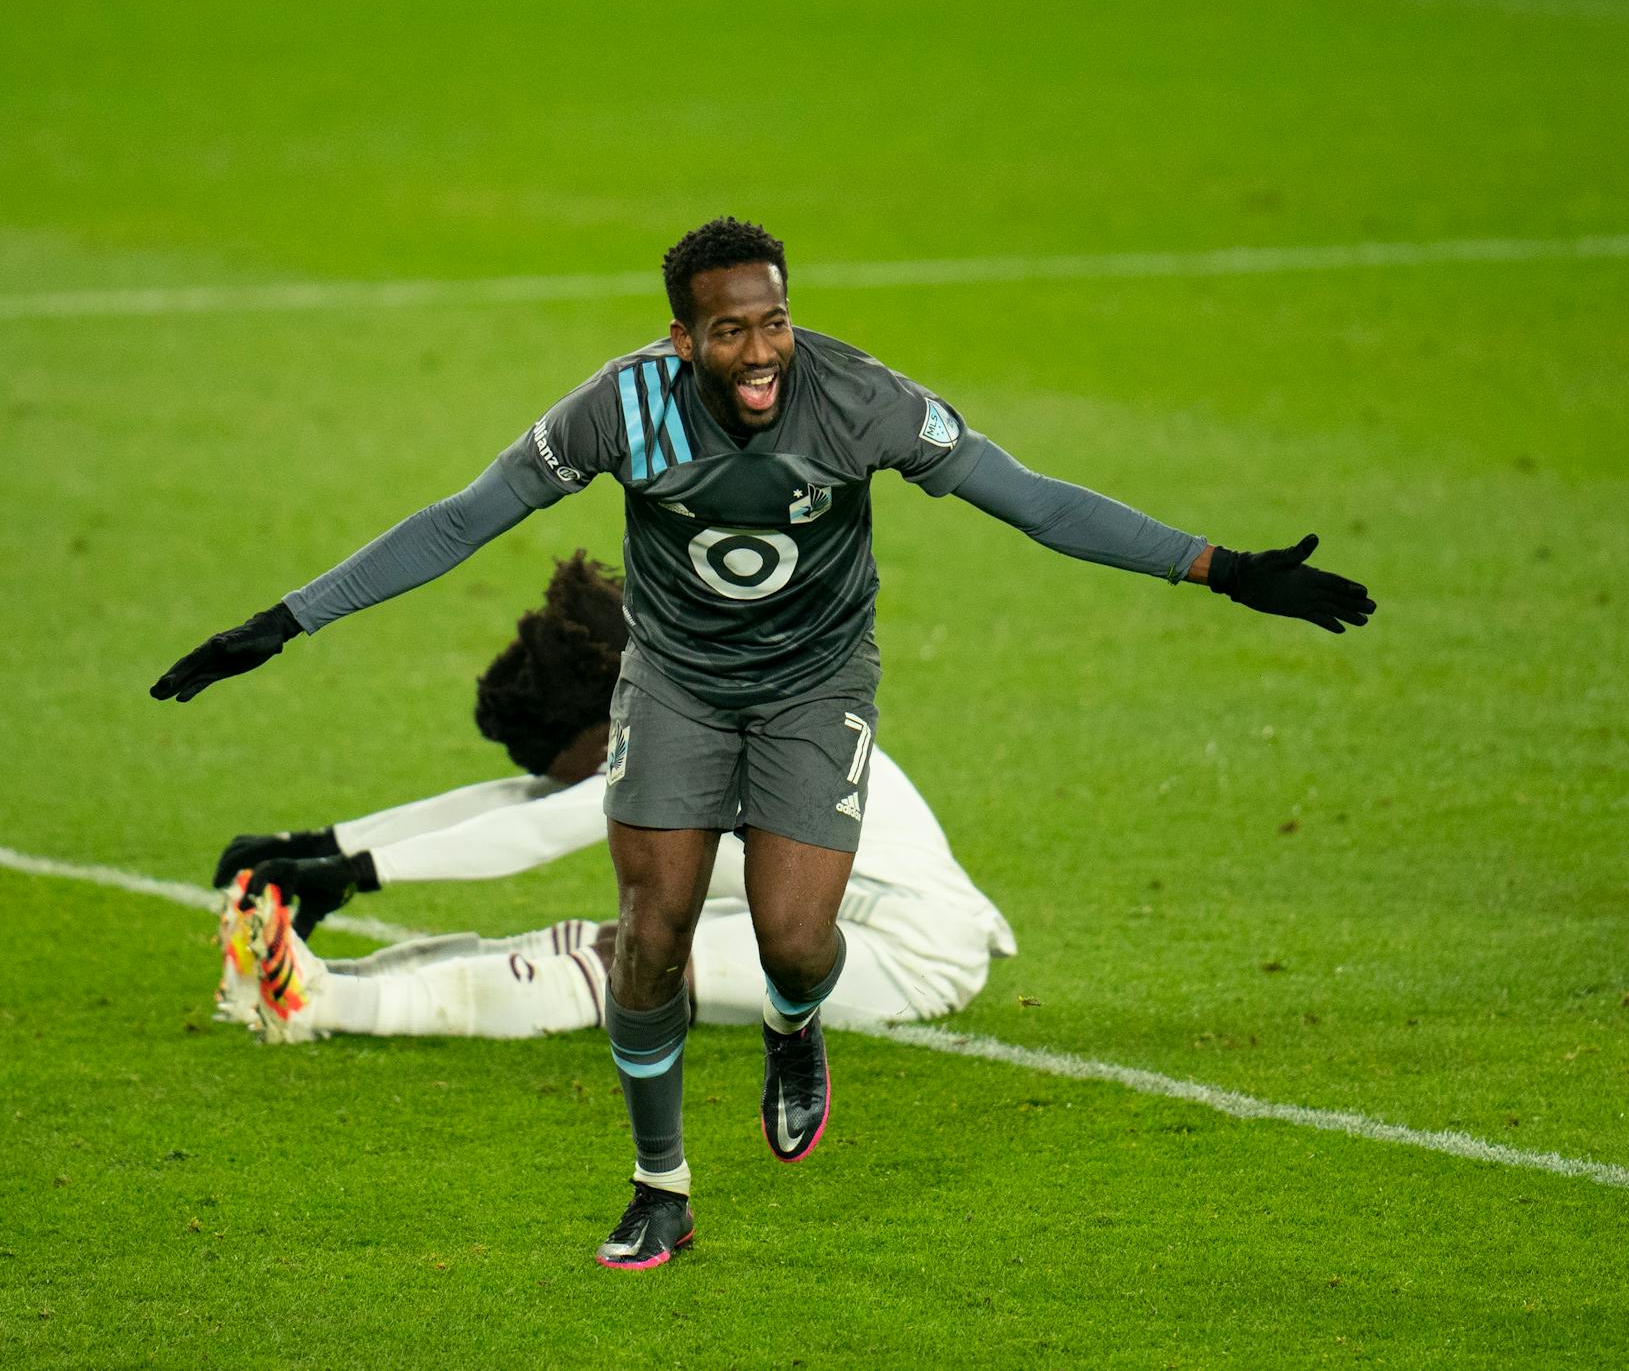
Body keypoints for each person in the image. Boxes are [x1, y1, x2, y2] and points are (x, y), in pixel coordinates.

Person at [152, 217, 1376, 1269]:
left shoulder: (864, 401)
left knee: (796, 941)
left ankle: (798, 1026)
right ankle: (661, 1187)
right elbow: (463, 519)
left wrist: (1220, 569)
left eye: (774, 322)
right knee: (648, 934)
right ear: (682, 337)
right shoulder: (615, 409)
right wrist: (284, 621)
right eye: (731, 331)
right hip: (677, 683)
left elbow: (1033, 497)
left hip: (814, 687)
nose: (760, 353)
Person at [212, 554, 1013, 1042]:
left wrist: (355, 871)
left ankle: (322, 1005)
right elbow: (523, 800)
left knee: (609, 972)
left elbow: (540, 830)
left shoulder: (699, 739)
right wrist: (324, 843)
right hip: (841, 922)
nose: (572, 782)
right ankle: (334, 983)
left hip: (908, 952)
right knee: (599, 943)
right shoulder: (681, 707)